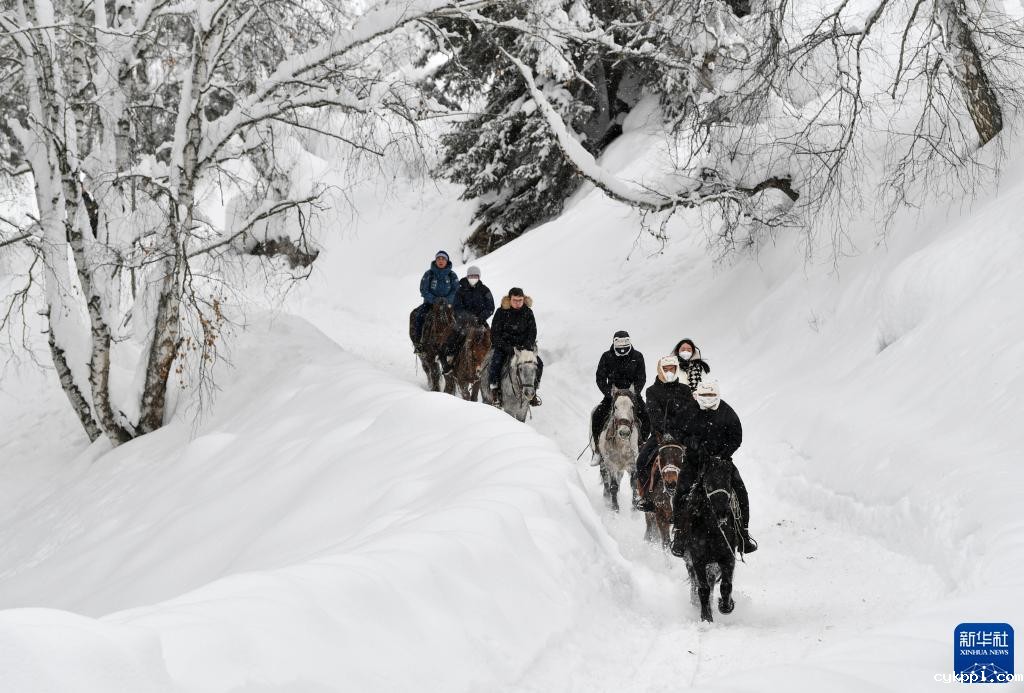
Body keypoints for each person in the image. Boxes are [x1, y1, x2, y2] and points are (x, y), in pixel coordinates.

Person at [670, 378, 757, 556]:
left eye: (711, 394)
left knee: (740, 491)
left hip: (721, 462)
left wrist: (723, 453)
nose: (708, 398)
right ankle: (679, 534)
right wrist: (689, 442)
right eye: (704, 395)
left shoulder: (727, 411)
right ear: (697, 395)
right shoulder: (688, 410)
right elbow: (675, 429)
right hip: (694, 461)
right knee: (681, 491)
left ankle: (743, 535)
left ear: (717, 395)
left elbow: (736, 436)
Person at [633, 355, 701, 511]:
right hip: (659, 436)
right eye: (666, 369)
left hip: (683, 436)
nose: (669, 372)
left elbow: (690, 413)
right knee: (641, 462)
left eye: (672, 369)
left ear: (677, 370)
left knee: (700, 457)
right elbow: (654, 415)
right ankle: (645, 496)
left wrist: (683, 430)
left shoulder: (685, 390)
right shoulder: (652, 391)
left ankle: (700, 493)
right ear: (660, 370)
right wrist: (667, 430)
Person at [590, 331, 650, 462]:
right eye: (619, 343)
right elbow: (600, 378)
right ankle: (597, 451)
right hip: (612, 396)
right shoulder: (606, 356)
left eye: (625, 342)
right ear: (614, 342)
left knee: (646, 415)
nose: (622, 346)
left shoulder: (638, 356)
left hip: (632, 395)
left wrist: (634, 393)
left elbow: (642, 378)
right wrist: (609, 393)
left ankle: (642, 445)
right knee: (597, 415)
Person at [488, 287, 543, 407]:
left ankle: (533, 390)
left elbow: (532, 331)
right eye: (515, 300)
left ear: (524, 299)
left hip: (524, 348)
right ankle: (495, 391)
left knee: (539, 363)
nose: (518, 303)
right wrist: (507, 347)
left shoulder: (528, 312)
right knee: (496, 363)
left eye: (520, 300)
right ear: (509, 299)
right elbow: (495, 334)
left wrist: (527, 345)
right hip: (504, 347)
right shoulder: (501, 312)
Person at [441, 266, 495, 373]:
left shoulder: (485, 290)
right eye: (471, 276)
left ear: (479, 277)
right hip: (463, 322)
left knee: (492, 340)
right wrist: (468, 317)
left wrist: (481, 317)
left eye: (475, 276)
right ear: (467, 276)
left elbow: (490, 307)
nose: (473, 278)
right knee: (453, 340)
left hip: (481, 322)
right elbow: (457, 307)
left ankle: (490, 365)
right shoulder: (460, 290)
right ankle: (450, 362)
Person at [412, 250, 459, 354]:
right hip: (430, 304)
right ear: (435, 260)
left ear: (447, 261)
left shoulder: (452, 275)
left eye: (443, 259)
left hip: (448, 305)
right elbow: (423, 290)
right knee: (420, 317)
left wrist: (447, 300)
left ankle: (454, 347)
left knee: (457, 321)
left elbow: (455, 290)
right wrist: (434, 300)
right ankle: (418, 343)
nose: (441, 261)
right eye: (438, 259)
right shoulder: (429, 274)